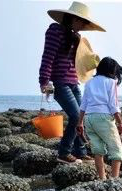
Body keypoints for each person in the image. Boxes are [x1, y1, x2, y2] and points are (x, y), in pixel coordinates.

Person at [39, 2, 105, 164]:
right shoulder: (55, 31)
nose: (83, 25)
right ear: (73, 18)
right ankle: (64, 153)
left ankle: (80, 151)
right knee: (75, 116)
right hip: (60, 83)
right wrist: (44, 81)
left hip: (74, 82)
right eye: (82, 22)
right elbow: (48, 57)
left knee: (81, 116)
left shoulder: (76, 37)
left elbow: (79, 62)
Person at [76, 57, 122, 180]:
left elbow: (83, 104)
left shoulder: (89, 82)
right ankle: (115, 180)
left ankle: (102, 179)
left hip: (89, 119)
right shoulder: (111, 83)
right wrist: (121, 123)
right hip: (103, 118)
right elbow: (113, 105)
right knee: (117, 150)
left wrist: (79, 123)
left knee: (98, 150)